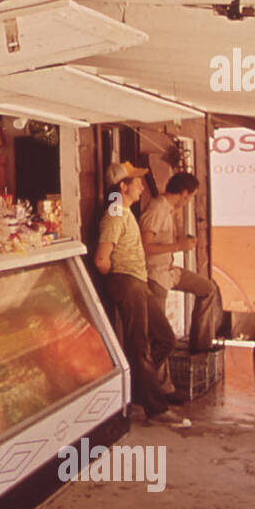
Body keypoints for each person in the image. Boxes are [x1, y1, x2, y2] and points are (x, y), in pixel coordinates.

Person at [93, 161, 179, 424]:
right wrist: (119, 280)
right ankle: (157, 410)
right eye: (137, 182)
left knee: (165, 338)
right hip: (128, 283)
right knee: (139, 346)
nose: (142, 187)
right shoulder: (115, 215)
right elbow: (101, 260)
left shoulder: (126, 212)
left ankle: (139, 388)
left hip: (138, 283)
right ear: (123, 186)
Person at [139, 171, 218, 351]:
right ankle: (157, 378)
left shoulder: (169, 209)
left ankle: (200, 349)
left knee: (208, 289)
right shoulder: (156, 209)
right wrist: (178, 246)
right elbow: (144, 247)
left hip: (169, 271)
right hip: (154, 275)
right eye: (190, 197)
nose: (188, 201)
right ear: (184, 193)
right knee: (159, 337)